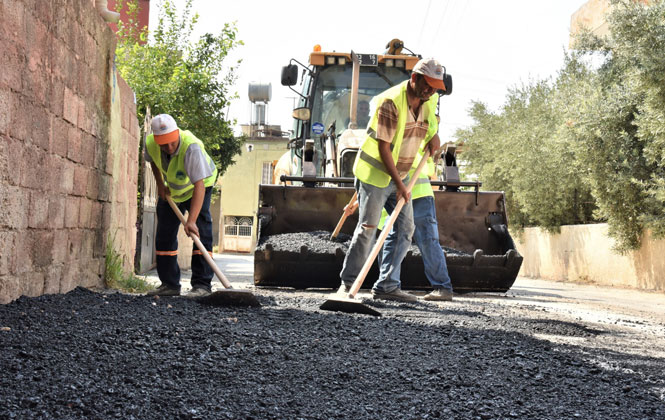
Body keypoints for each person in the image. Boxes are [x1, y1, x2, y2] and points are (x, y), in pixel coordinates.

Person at [338, 58, 446, 302]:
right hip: (375, 176)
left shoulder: (428, 102)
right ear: (415, 78)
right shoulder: (391, 102)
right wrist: (400, 185)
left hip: (400, 176)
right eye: (428, 84)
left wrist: (435, 137)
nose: (430, 90)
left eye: (435, 87)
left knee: (406, 229)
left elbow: (430, 130)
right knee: (368, 228)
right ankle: (347, 285)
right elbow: (384, 148)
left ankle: (387, 285)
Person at [144, 114, 218, 297]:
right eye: (164, 144)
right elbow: (153, 161)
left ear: (177, 133)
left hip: (200, 186)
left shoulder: (191, 147)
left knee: (201, 230)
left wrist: (191, 220)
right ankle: (169, 284)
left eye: (172, 142)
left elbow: (199, 185)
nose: (169, 148)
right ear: (156, 139)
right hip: (173, 192)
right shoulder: (151, 143)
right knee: (164, 234)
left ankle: (202, 285)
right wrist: (160, 185)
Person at [379, 143, 454, 301]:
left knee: (422, 241)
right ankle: (387, 286)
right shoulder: (413, 139)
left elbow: (427, 170)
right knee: (396, 240)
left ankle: (442, 287)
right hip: (401, 195)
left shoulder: (412, 142)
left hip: (416, 195)